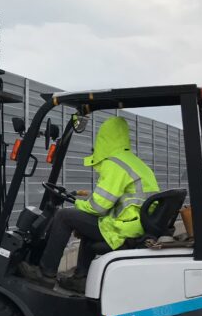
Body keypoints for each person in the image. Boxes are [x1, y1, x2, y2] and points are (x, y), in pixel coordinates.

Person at [19, 116, 160, 293]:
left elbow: (98, 207)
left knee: (63, 216)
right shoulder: (134, 162)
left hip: (124, 228)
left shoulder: (114, 163)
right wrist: (85, 202)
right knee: (86, 225)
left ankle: (45, 273)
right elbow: (115, 198)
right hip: (135, 224)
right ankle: (81, 278)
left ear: (104, 139)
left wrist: (78, 203)